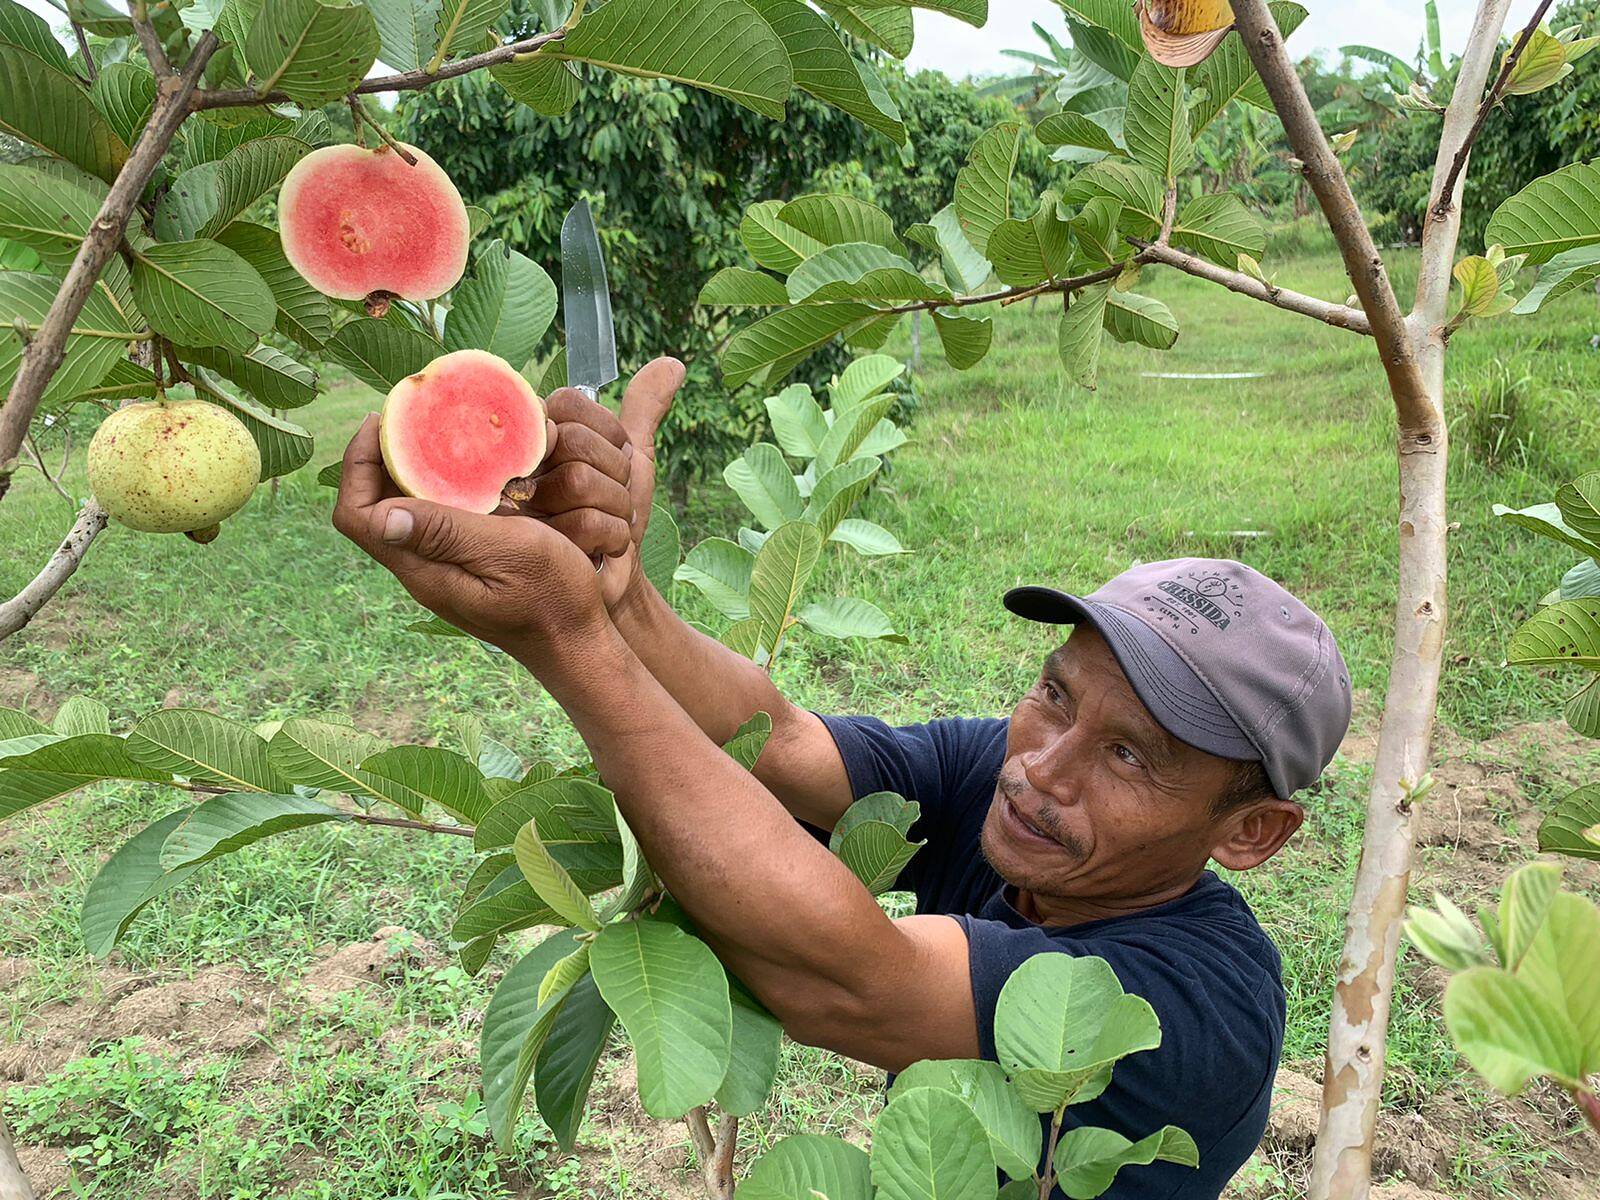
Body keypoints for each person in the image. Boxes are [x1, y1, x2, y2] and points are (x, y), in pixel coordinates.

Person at [333, 358, 1353, 1198]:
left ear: (1251, 833)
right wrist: (618, 590)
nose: (1042, 767)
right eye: (1054, 693)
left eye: (1131, 756)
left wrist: (565, 637)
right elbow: (779, 744)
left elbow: (847, 978)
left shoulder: (1199, 1004)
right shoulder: (1011, 786)